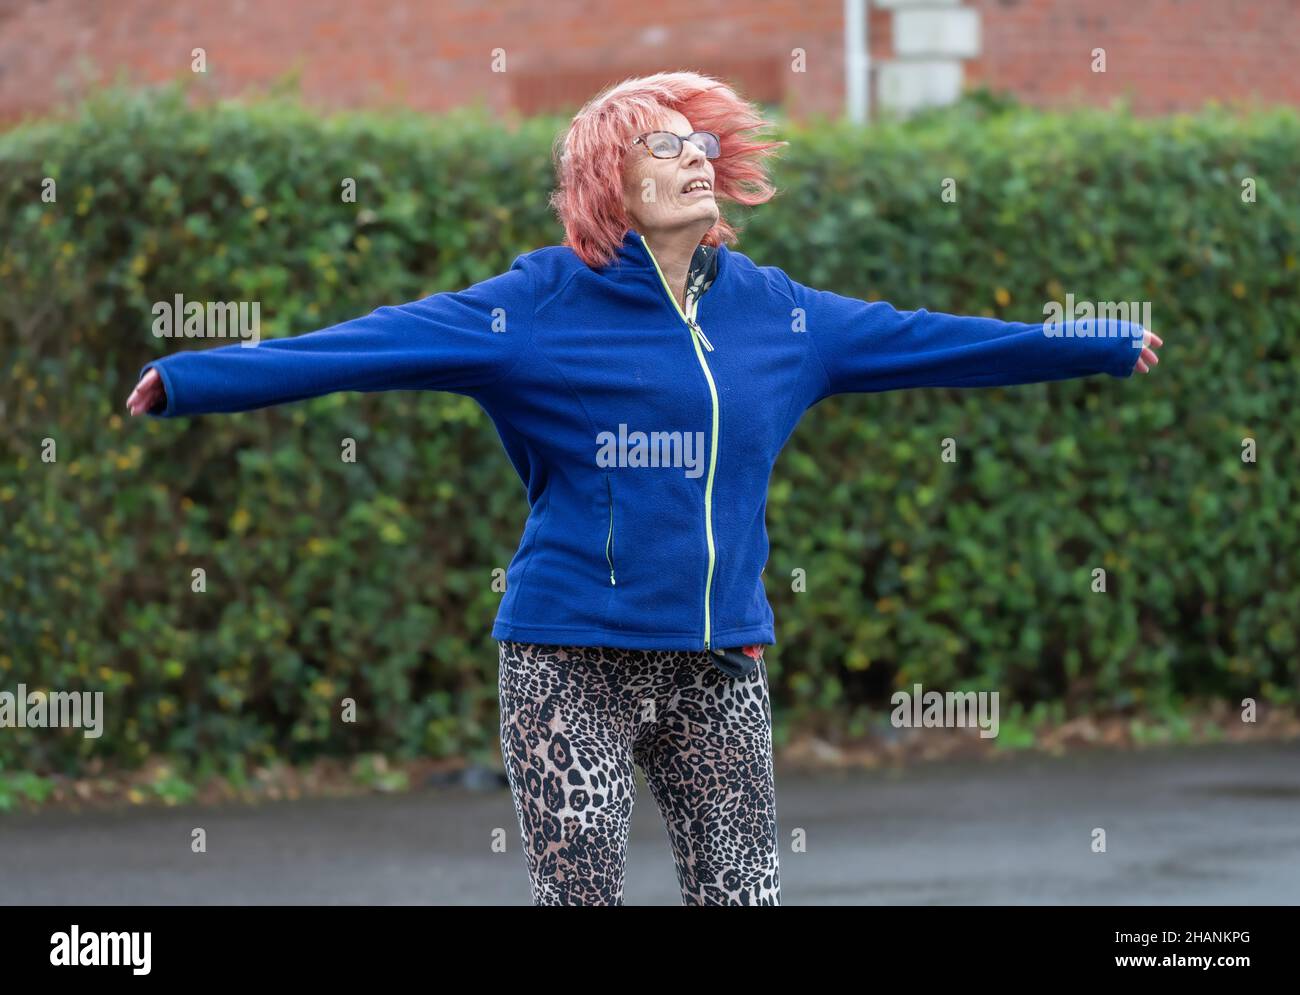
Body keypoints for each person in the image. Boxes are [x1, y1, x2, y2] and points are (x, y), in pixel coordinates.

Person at [126, 71, 1163, 906]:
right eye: (662, 145)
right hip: (569, 655)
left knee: (742, 893)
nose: (693, 159)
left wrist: (1094, 342)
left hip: (717, 659)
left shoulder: (775, 313)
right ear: (604, 181)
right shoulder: (535, 303)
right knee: (582, 898)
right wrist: (192, 377)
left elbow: (928, 339)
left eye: (699, 143)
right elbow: (365, 346)